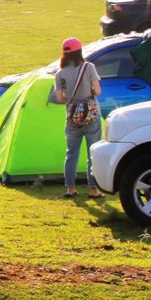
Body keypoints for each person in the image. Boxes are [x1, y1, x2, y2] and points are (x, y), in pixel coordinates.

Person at [49, 37, 102, 198]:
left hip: (72, 118)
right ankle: (93, 189)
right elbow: (98, 91)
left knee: (71, 153)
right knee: (93, 153)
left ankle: (70, 189)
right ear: (80, 51)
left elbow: (59, 98)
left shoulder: (60, 73)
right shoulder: (89, 67)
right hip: (92, 116)